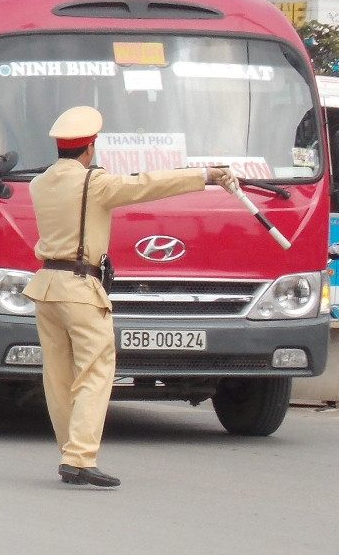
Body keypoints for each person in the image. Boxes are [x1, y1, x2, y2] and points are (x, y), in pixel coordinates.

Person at [21, 106, 237, 488]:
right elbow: (147, 184)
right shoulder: (93, 183)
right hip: (80, 288)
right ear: (89, 148)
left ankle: (68, 452)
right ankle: (79, 457)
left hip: (46, 286)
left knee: (57, 376)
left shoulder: (41, 184)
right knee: (96, 370)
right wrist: (204, 175)